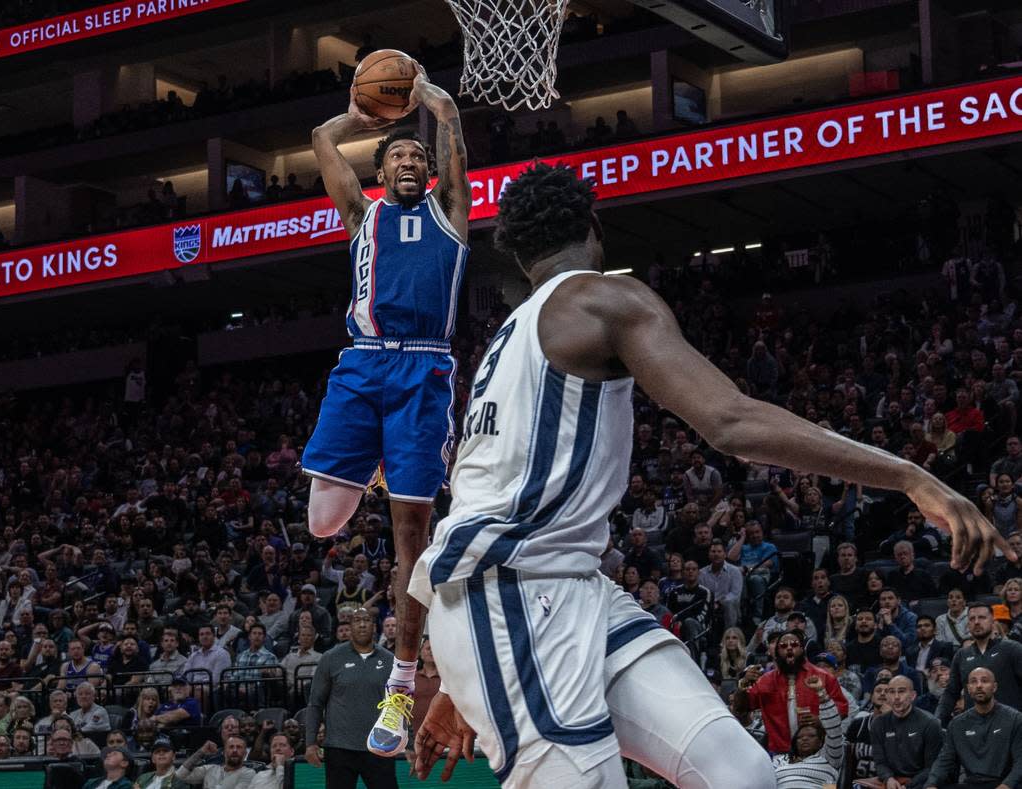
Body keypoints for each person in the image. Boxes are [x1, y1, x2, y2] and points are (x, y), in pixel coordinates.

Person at [409, 163, 1007, 789]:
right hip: (509, 597)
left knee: (739, 772)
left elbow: (477, 492)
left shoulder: (509, 338)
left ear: (519, 252)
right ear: (592, 225)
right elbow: (730, 421)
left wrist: (466, 667)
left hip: (560, 590)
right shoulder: (603, 298)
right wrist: (911, 475)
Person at [304, 55, 471, 758]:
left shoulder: (450, 213)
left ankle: (402, 683)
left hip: (424, 369)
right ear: (380, 173)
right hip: (363, 363)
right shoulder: (361, 214)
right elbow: (321, 136)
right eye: (396, 155)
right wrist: (363, 113)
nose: (407, 160)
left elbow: (453, 151)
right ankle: (376, 468)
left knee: (411, 539)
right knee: (322, 523)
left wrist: (440, 110)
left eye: (416, 156)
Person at [304, 608, 395, 787]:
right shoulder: (331, 658)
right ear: (350, 626)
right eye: (357, 621)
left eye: (367, 620)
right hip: (339, 748)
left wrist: (409, 744)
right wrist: (310, 743)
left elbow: (399, 706)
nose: (362, 624)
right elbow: (315, 703)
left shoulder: (389, 660)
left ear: (374, 626)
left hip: (379, 747)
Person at [732, 630, 849, 756]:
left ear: (802, 649)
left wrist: (821, 720)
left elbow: (842, 709)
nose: (789, 648)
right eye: (783, 646)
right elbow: (741, 709)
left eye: (794, 645)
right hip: (778, 753)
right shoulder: (766, 680)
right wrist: (744, 685)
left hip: (818, 751)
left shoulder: (823, 677)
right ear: (776, 653)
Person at [926, 667, 1022, 789]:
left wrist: (1006, 785)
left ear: (995, 687)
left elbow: (1020, 761)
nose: (979, 685)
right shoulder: (957, 724)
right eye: (973, 681)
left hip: (1005, 783)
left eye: (984, 681)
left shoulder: (1015, 718)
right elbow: (944, 760)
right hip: (971, 784)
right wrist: (931, 784)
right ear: (968, 689)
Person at [935, 602, 1022, 725]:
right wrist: (937, 720)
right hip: (974, 727)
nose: (976, 622)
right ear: (968, 624)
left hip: (1011, 725)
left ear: (992, 621)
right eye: (972, 619)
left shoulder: (1012, 649)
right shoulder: (961, 655)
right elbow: (951, 693)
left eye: (982, 617)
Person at [869, 675, 943, 789]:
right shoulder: (878, 724)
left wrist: (909, 786)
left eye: (901, 691)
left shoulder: (931, 723)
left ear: (913, 696)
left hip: (920, 782)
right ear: (888, 696)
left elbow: (932, 767)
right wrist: (888, 778)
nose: (896, 697)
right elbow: (880, 762)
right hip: (891, 781)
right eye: (892, 692)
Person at [770, 674, 844, 788]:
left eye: (811, 736)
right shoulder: (780, 760)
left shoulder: (829, 757)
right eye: (799, 737)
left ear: (821, 741)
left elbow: (834, 727)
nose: (804, 738)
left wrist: (821, 693)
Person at [176, 737, 255, 789]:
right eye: (231, 747)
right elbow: (179, 776)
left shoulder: (248, 773)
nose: (234, 750)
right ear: (224, 752)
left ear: (245, 753)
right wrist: (201, 752)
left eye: (239, 747)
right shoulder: (209, 769)